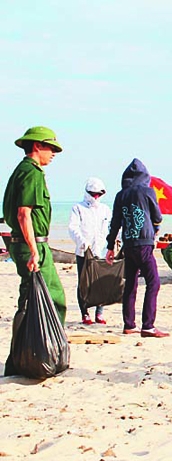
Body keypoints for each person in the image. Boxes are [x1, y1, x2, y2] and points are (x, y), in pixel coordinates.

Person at [3, 126, 67, 376]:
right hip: (33, 243)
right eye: (50, 148)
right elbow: (23, 213)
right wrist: (34, 250)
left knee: (29, 299)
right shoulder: (32, 173)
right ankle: (44, 353)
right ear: (37, 146)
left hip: (23, 242)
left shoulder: (21, 170)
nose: (53, 153)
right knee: (53, 297)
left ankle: (23, 357)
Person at [105, 158, 168, 338]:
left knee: (131, 284)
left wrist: (110, 246)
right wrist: (156, 225)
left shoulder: (120, 195)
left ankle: (129, 324)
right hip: (144, 243)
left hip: (128, 244)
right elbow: (157, 215)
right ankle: (148, 326)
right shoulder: (148, 191)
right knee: (153, 283)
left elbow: (115, 222)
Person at [68, 177, 112, 325]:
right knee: (84, 282)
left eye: (99, 194)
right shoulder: (78, 208)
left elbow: (110, 228)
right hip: (83, 251)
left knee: (101, 282)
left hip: (100, 250)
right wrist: (81, 241)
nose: (96, 197)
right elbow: (73, 227)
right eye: (93, 194)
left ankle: (99, 312)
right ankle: (85, 313)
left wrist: (114, 242)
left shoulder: (105, 209)